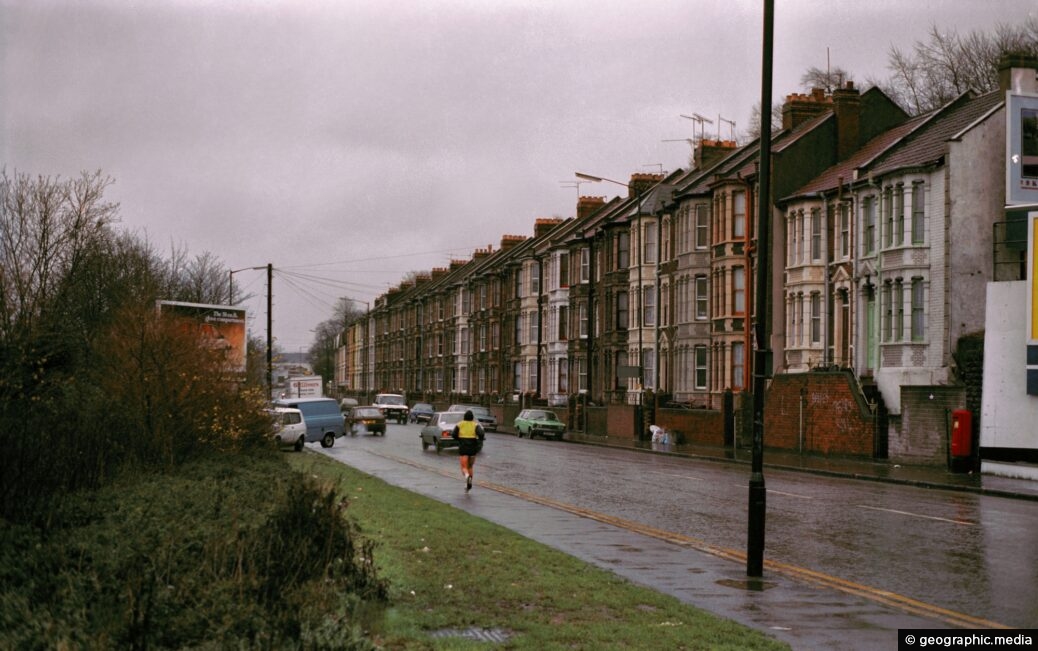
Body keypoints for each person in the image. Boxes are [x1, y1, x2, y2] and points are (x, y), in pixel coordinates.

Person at [451, 410, 485, 490]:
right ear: (472, 417)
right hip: (473, 448)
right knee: (470, 466)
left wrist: (458, 439)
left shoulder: (460, 424)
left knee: (463, 467)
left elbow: (453, 434)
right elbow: (481, 433)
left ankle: (467, 476)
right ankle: (468, 484)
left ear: (464, 417)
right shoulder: (475, 425)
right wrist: (479, 440)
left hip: (463, 447)